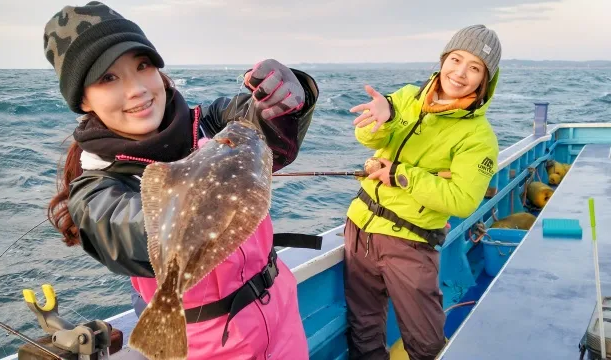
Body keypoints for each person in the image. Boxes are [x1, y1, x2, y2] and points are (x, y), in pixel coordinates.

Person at [43, 2, 319, 359]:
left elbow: (255, 123)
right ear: (82, 100)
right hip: (201, 345)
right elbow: (128, 234)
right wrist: (206, 194)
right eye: (108, 78)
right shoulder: (95, 189)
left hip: (280, 314)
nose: (136, 89)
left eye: (143, 66)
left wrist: (284, 98)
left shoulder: (210, 122)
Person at [344, 24, 501, 360]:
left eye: (474, 68)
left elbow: (463, 199)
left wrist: (404, 176)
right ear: (444, 59)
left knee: (425, 340)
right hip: (359, 228)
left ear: (485, 79)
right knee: (363, 327)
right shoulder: (406, 97)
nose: (460, 73)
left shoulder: (479, 137)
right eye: (456, 59)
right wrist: (382, 121)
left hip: (409, 242)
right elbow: (369, 139)